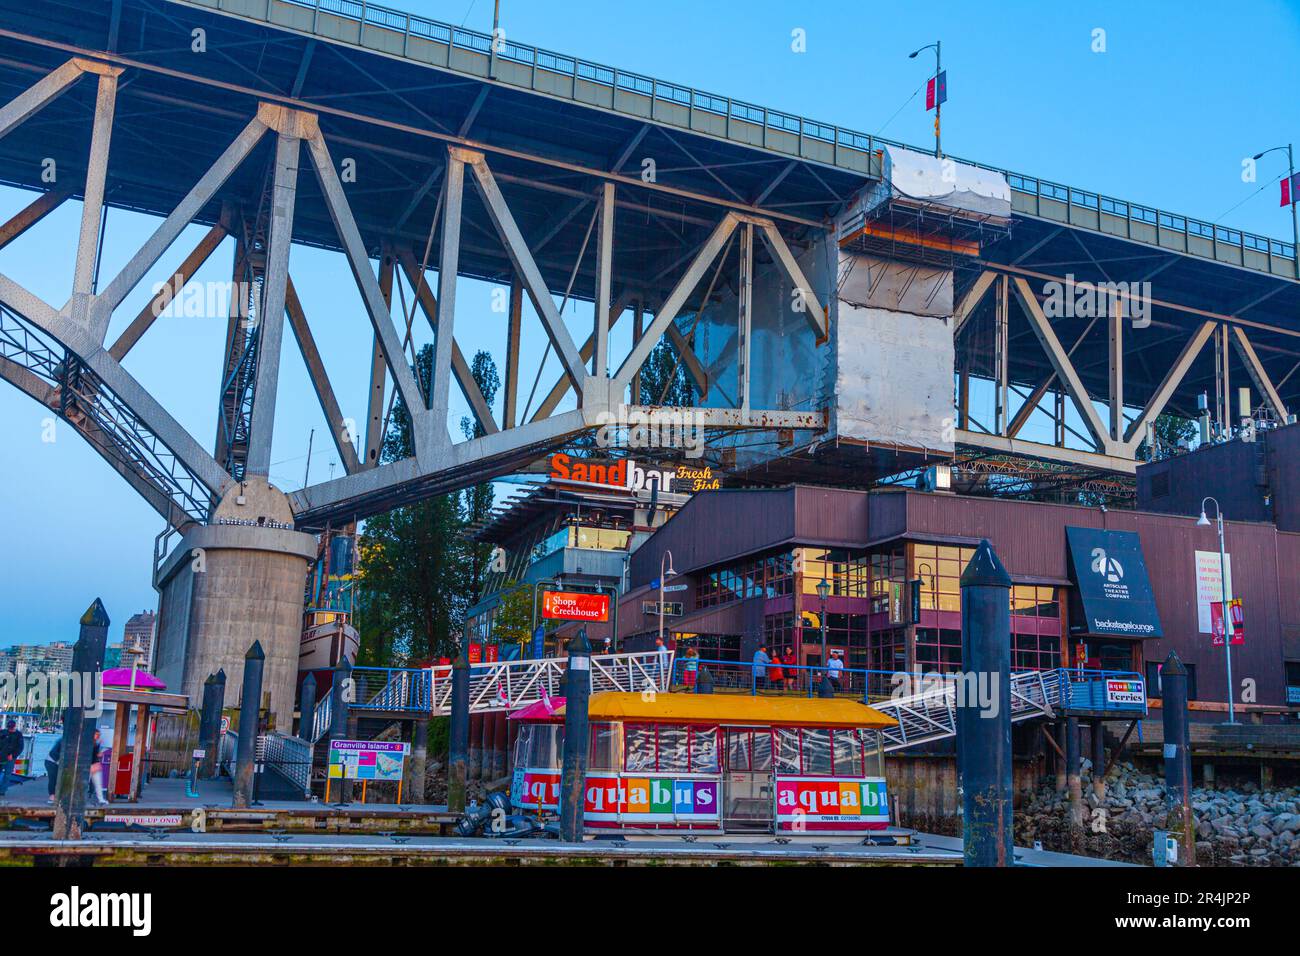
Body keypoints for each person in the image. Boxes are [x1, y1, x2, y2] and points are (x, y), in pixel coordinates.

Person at [0, 719, 22, 799]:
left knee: (7, 774)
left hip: (10, 758)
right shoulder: (3, 732)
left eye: (11, 728)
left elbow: (20, 747)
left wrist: (13, 755)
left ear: (14, 727)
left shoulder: (18, 735)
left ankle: (2, 791)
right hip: (1, 756)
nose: (10, 729)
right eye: (9, 728)